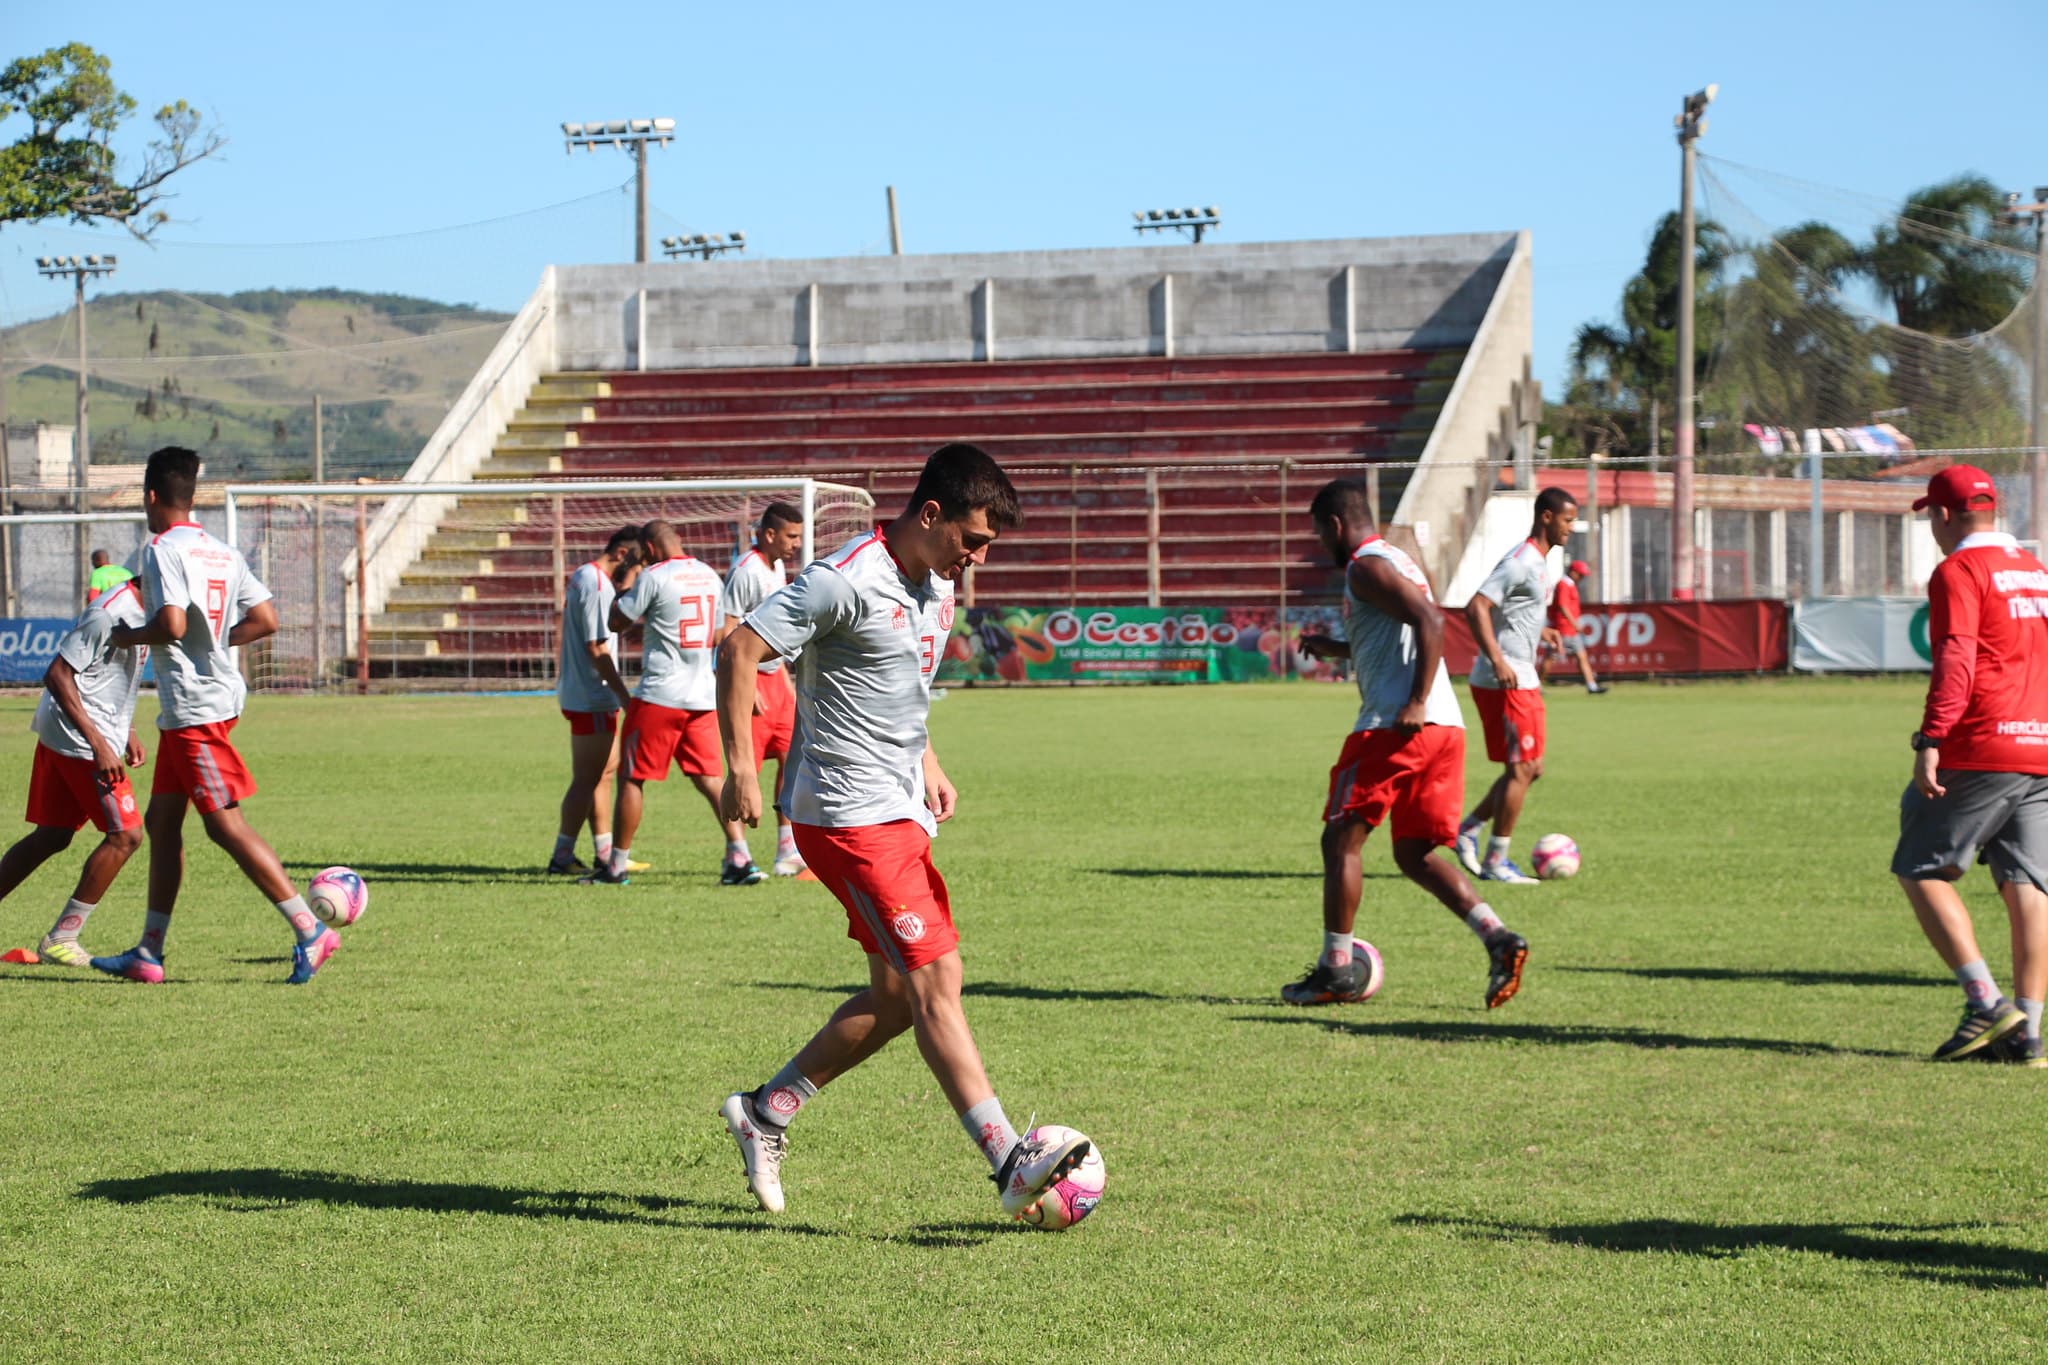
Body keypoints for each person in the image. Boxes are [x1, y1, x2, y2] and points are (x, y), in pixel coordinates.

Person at [713, 442, 1089, 1221]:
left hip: (898, 808)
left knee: (891, 998)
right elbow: (739, 648)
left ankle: (765, 1111)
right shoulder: (843, 578)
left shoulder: (938, 588)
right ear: (931, 515)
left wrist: (929, 760)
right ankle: (1008, 1161)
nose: (979, 559)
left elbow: (902, 689)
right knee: (934, 981)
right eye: (973, 539)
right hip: (844, 815)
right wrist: (742, 769)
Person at [92, 446, 334, 985]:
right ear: (191, 495)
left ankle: (311, 931)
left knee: (225, 826)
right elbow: (267, 619)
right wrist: (216, 643)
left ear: (151, 496)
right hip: (204, 703)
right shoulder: (221, 550)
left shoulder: (159, 549)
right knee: (162, 823)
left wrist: (126, 637)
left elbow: (173, 625)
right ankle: (149, 951)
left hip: (196, 707)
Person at [1289, 478, 1528, 1010]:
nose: (1321, 546)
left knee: (1340, 843)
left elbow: (1430, 620)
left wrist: (1414, 701)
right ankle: (1498, 937)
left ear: (1333, 526)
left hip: (1395, 728)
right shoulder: (1394, 560)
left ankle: (1335, 971)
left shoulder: (1365, 566)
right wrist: (1336, 647)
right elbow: (1393, 635)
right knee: (1414, 854)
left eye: (1318, 534)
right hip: (1445, 730)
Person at [1892, 465, 2047, 1066]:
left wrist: (1932, 735)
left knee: (1921, 867)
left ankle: (1985, 1001)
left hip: (1985, 741)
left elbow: (1956, 655)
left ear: (1945, 515)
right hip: (2040, 747)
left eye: (1931, 514)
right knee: (2027, 884)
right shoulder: (2034, 569)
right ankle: (2029, 1032)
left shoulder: (1959, 570)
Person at [586, 519, 758, 886]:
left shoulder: (654, 576)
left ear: (648, 549)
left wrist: (632, 576)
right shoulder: (709, 574)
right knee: (710, 778)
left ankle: (616, 865)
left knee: (632, 778)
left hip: (660, 694)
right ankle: (741, 858)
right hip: (700, 694)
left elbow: (616, 621)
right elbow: (716, 633)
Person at [0, 576, 149, 966]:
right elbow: (58, 675)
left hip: (67, 732)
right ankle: (63, 937)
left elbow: (106, 677)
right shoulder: (108, 613)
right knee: (126, 835)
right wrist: (101, 744)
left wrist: (126, 729)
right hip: (80, 741)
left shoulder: (149, 610)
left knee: (51, 836)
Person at [1455, 487, 1578, 885]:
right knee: (1521, 768)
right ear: (1546, 517)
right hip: (1503, 679)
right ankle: (1495, 860)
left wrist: (1540, 631)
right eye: (1568, 520)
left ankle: (1469, 829)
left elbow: (1514, 611)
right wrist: (1498, 659)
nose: (1571, 528)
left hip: (1522, 676)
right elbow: (1476, 607)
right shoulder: (1521, 560)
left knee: (1531, 768)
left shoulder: (1541, 564)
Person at [717, 502, 810, 878]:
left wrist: (785, 680)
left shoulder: (778, 565)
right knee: (743, 770)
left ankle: (786, 850)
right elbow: (727, 630)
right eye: (792, 536)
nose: (797, 544)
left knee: (792, 760)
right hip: (750, 679)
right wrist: (746, 683)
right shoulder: (746, 570)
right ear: (769, 535)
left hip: (777, 678)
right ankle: (736, 854)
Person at [547, 527, 641, 876]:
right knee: (587, 778)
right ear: (620, 554)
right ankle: (561, 855)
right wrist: (624, 695)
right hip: (592, 695)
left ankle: (603, 851)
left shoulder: (586, 576)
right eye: (634, 564)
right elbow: (597, 647)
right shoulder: (597, 584)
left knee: (601, 773)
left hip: (583, 692)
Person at [1541, 559, 1606, 694]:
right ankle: (1535, 686)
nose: (1582, 578)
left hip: (1570, 630)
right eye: (1580, 575)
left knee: (1582, 657)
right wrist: (1574, 623)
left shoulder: (1570, 585)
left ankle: (1591, 686)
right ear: (1573, 572)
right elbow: (1563, 606)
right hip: (1562, 629)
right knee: (1550, 658)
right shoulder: (1564, 584)